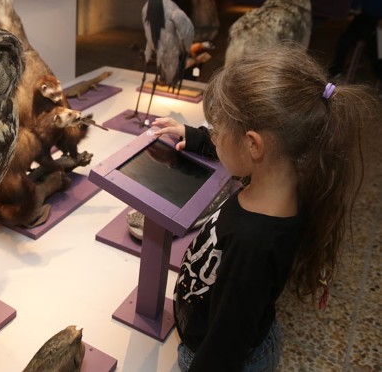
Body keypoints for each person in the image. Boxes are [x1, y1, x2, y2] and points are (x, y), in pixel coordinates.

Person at [153, 45, 379, 371]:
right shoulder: (285, 178)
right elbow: (236, 150)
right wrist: (196, 137)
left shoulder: (252, 242)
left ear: (253, 145)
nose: (213, 137)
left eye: (216, 131)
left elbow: (224, 350)